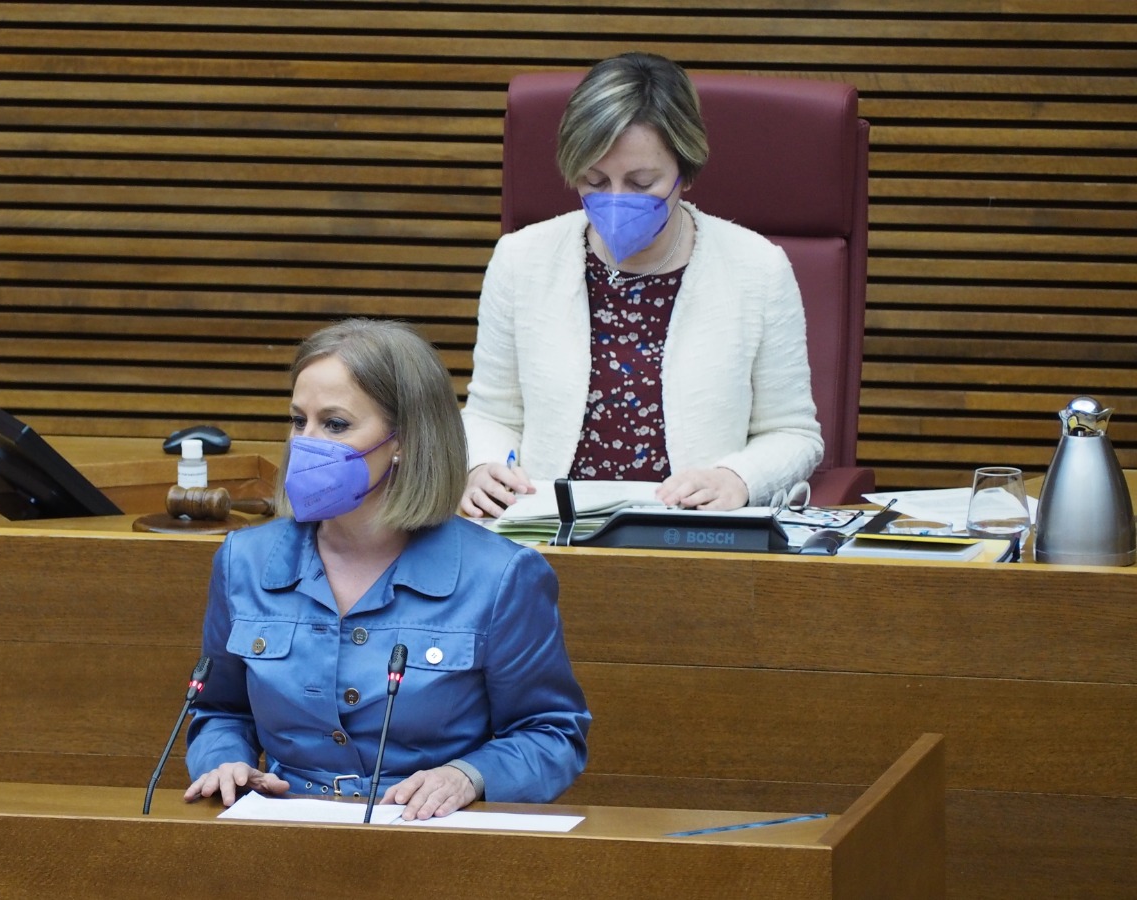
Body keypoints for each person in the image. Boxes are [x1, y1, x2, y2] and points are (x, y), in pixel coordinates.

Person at [183, 318, 590, 819]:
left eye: (335, 424)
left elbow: (551, 733)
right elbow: (219, 710)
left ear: (404, 440)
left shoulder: (502, 576)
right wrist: (225, 763)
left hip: (431, 831)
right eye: (298, 420)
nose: (306, 443)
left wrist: (469, 775)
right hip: (282, 826)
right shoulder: (243, 559)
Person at [461, 52, 823, 517]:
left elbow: (793, 433)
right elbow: (491, 414)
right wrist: (483, 466)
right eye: (595, 180)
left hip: (690, 533)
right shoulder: (521, 259)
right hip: (548, 531)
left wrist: (737, 478)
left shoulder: (758, 269)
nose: (615, 201)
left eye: (641, 182)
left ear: (685, 171)